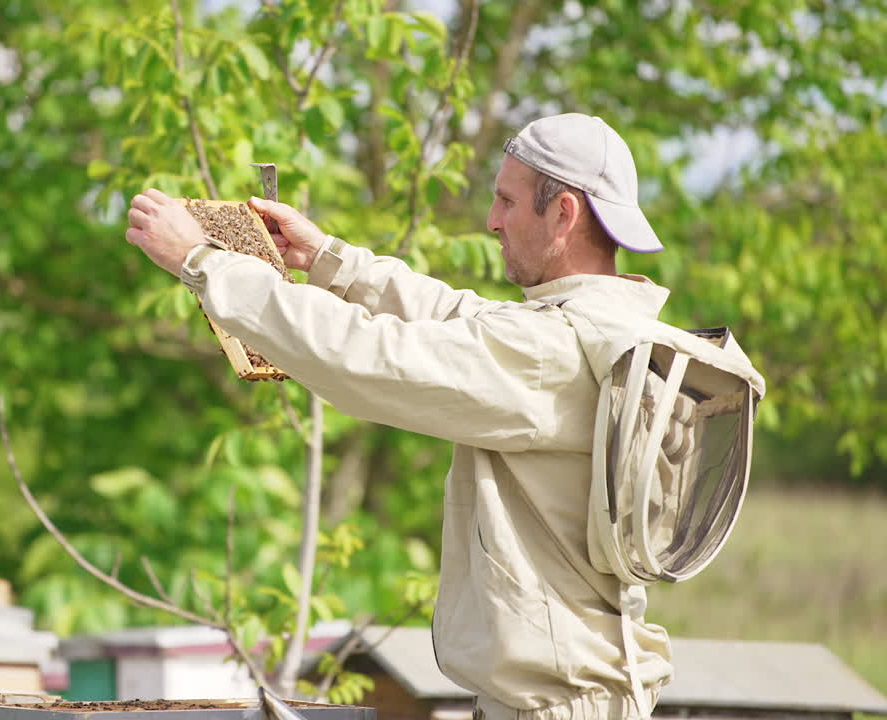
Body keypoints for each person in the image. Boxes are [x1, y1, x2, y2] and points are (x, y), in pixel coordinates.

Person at [125, 113, 689, 718]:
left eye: (506, 201)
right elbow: (461, 317)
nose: (492, 221)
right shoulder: (606, 333)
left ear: (564, 214)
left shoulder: (549, 353)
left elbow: (366, 356)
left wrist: (202, 261)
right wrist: (325, 258)